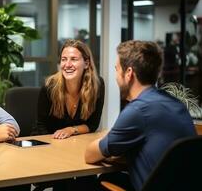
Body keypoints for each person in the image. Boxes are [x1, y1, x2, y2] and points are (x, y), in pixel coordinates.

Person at [85, 40, 197, 191]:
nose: (116, 77)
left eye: (117, 70)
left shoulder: (138, 110)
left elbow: (90, 155)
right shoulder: (176, 104)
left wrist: (108, 139)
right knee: (112, 177)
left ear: (129, 73)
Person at [33, 39, 104, 191]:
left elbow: (92, 125)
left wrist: (71, 130)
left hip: (76, 147)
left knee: (87, 177)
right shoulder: (49, 87)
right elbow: (40, 126)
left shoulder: (97, 85)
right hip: (49, 147)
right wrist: (55, 151)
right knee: (65, 180)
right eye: (64, 59)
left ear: (86, 63)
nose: (67, 64)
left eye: (74, 59)